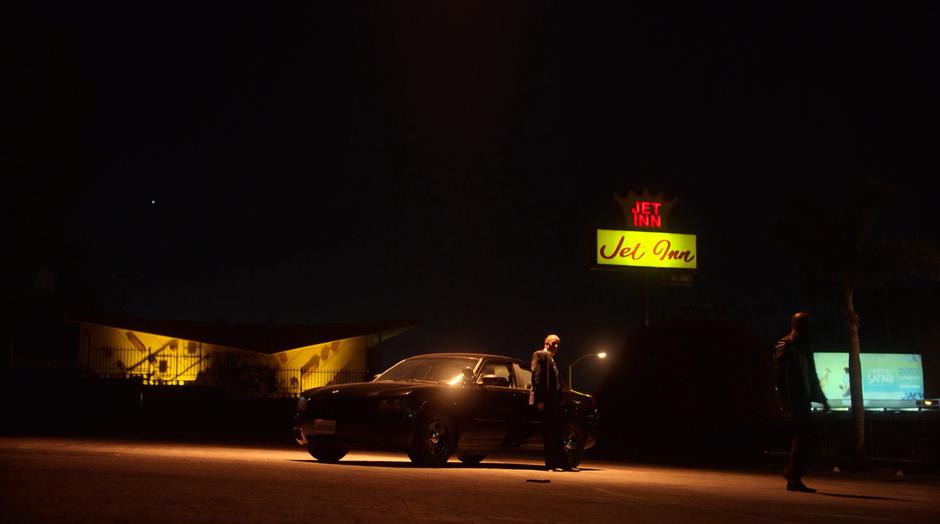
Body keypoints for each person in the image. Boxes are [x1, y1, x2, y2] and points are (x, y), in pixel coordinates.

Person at [773, 312, 830, 493]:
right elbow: (779, 376)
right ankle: (792, 475)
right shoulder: (786, 344)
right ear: (798, 325)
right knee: (802, 437)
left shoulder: (805, 346)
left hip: (802, 399)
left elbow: (812, 376)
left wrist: (821, 398)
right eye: (807, 324)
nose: (810, 328)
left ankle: (793, 476)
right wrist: (783, 401)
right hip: (794, 400)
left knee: (805, 439)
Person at [531, 334, 574, 471]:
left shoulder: (553, 361)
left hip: (555, 401)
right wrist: (539, 400)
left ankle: (563, 464)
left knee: (558, 433)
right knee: (549, 434)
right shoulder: (539, 355)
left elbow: (558, 381)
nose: (556, 346)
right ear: (546, 343)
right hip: (546, 400)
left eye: (558, 344)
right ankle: (550, 464)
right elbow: (536, 377)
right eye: (554, 343)